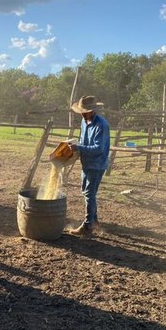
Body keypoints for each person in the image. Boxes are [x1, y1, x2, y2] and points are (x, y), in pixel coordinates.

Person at [67, 95, 110, 236]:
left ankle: (87, 226)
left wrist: (79, 148)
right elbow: (82, 140)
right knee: (87, 192)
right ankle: (94, 220)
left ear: (93, 110)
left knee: (89, 193)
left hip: (97, 164)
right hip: (87, 162)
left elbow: (99, 149)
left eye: (85, 111)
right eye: (82, 112)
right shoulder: (84, 122)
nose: (83, 114)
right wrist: (76, 147)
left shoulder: (101, 125)